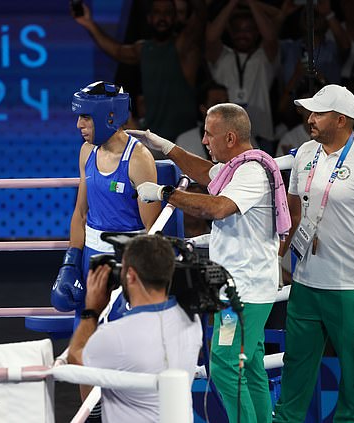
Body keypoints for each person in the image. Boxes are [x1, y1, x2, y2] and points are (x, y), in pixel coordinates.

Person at [128, 102, 289, 423]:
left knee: (225, 364)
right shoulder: (238, 165)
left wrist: (164, 192)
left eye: (208, 134)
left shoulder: (250, 172)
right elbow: (205, 172)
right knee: (252, 363)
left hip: (243, 291)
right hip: (246, 286)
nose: (204, 140)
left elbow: (216, 208)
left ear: (230, 138)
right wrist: (166, 147)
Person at [272, 84, 354, 423]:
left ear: (342, 120)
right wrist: (276, 257)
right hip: (306, 282)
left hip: (352, 288)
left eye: (319, 113)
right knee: (295, 369)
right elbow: (292, 212)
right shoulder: (304, 153)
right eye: (311, 112)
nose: (310, 119)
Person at [51, 81, 160, 322]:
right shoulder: (87, 151)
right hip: (91, 256)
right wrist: (70, 262)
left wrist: (144, 275)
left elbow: (154, 228)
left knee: (127, 342)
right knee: (87, 336)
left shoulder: (139, 159)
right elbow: (80, 213)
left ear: (109, 116)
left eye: (86, 117)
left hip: (129, 259)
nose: (79, 124)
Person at [67, 234, 203, 422]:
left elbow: (75, 359)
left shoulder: (117, 335)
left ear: (130, 276)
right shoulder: (192, 320)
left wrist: (91, 310)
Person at [72, 0, 207, 145]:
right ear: (149, 18)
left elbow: (201, 15)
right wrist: (89, 24)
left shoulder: (184, 48)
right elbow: (117, 51)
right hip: (154, 140)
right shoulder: (143, 49)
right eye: (157, 13)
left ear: (175, 18)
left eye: (167, 13)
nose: (162, 18)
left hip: (185, 141)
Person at [204, 0, 280, 146]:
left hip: (262, 133)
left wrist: (251, 2)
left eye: (248, 30)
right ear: (230, 31)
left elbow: (271, 36)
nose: (242, 34)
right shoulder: (221, 56)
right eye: (237, 30)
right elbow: (211, 37)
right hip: (225, 134)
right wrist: (233, 2)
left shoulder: (264, 57)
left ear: (257, 31)